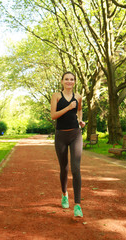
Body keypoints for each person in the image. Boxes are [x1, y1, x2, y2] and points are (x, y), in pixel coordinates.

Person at [50, 72, 86, 218]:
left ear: (74, 81)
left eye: (72, 79)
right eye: (66, 79)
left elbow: (79, 110)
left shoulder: (78, 96)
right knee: (64, 168)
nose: (69, 81)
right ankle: (64, 194)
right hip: (61, 136)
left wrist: (80, 121)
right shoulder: (56, 96)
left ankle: (77, 205)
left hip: (75, 135)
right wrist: (68, 107)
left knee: (76, 169)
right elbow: (53, 115)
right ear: (62, 81)